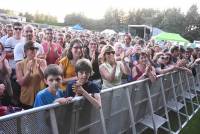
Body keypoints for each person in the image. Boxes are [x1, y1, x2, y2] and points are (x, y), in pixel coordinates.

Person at [16, 41, 47, 109]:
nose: (34, 50)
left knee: (40, 118)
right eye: (32, 48)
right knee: (27, 119)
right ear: (25, 51)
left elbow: (45, 79)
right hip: (26, 98)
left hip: (40, 97)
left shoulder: (42, 62)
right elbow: (22, 83)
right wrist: (28, 71)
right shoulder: (19, 64)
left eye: (36, 48)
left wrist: (39, 68)